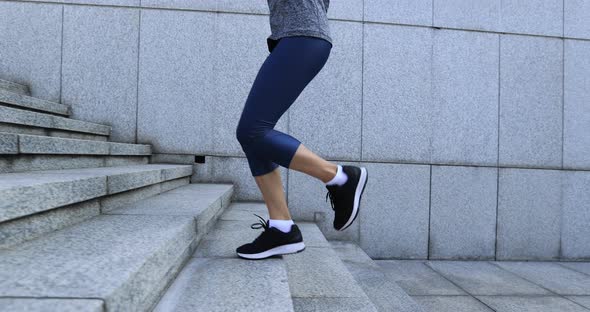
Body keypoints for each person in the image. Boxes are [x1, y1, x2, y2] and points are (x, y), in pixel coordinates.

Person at [234, 0, 368, 260]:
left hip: (302, 36)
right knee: (253, 135)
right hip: (298, 38)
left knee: (253, 131)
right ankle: (281, 228)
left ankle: (340, 177)